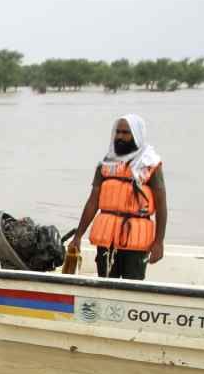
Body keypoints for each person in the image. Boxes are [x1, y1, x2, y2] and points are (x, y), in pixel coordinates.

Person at [68, 114, 167, 280]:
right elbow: (93, 202)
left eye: (126, 133)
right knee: (105, 284)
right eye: (118, 132)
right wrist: (78, 236)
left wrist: (159, 242)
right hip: (107, 239)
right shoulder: (105, 164)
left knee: (132, 287)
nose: (120, 136)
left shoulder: (150, 164)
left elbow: (161, 205)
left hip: (136, 238)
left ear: (137, 135)